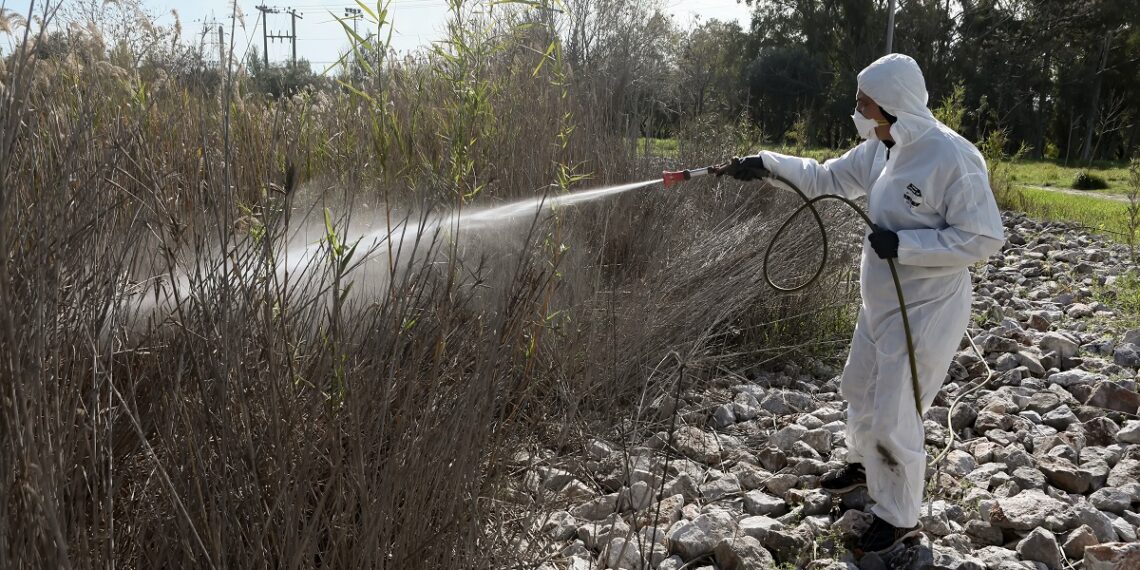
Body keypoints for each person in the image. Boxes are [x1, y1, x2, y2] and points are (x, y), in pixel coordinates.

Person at [714, 53, 1005, 554]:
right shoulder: (878, 148)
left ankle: (898, 517)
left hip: (926, 309)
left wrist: (907, 245)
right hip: (881, 300)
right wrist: (767, 164)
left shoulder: (951, 157)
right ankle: (863, 466)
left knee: (896, 411)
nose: (858, 110)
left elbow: (983, 237)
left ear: (893, 103)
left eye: (864, 102)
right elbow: (826, 178)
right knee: (860, 385)